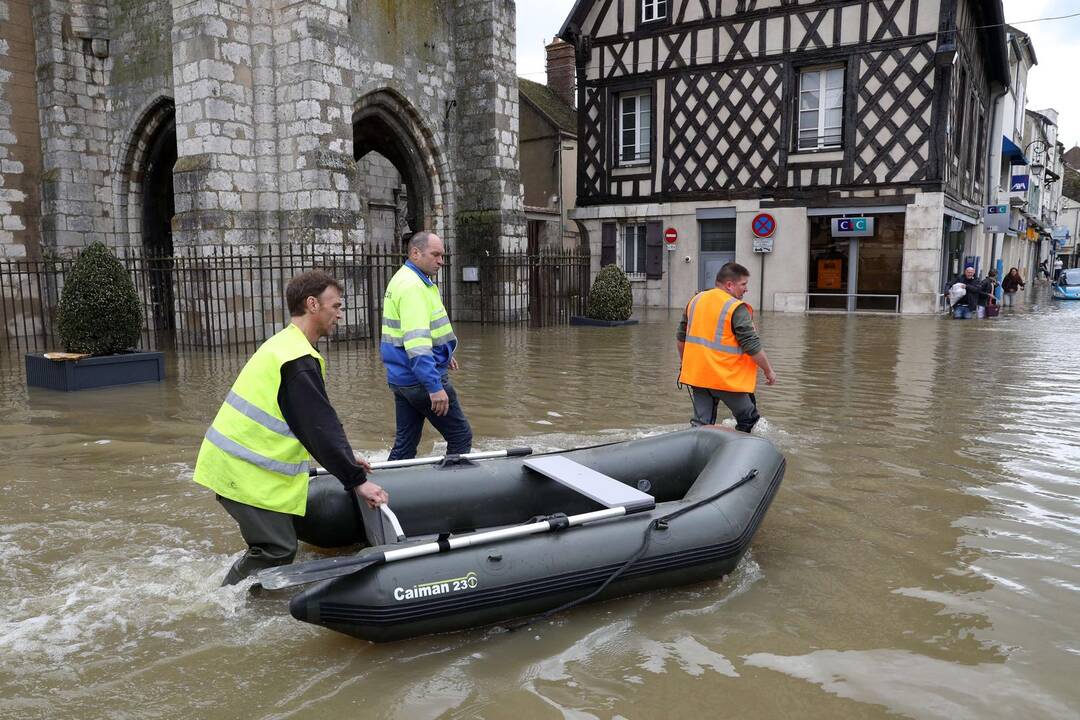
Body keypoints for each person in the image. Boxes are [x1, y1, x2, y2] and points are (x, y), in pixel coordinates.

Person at [193, 270, 389, 585]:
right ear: (313, 304)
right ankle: (227, 602)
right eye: (335, 306)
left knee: (277, 545)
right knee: (277, 548)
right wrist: (357, 482)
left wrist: (346, 455)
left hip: (243, 468)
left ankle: (244, 594)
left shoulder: (288, 346)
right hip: (238, 470)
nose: (340, 314)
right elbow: (318, 428)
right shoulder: (296, 358)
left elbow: (317, 419)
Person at [381, 231, 472, 460]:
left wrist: (443, 353)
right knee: (461, 436)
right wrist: (434, 386)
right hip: (421, 380)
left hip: (402, 379)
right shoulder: (414, 288)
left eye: (442, 255)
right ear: (415, 253)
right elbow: (417, 344)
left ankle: (385, 491)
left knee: (405, 445)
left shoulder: (404, 278)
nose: (441, 261)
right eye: (435, 255)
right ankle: (450, 492)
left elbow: (414, 334)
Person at [676, 262, 777, 432]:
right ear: (729, 285)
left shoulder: (695, 300)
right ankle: (742, 454)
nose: (746, 290)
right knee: (749, 420)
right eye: (743, 284)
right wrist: (768, 370)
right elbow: (752, 345)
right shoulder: (735, 307)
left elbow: (681, 338)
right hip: (726, 379)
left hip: (698, 376)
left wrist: (685, 364)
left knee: (701, 424)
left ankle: (698, 453)